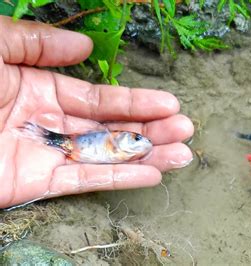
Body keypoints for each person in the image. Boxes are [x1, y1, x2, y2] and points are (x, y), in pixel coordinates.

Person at [0, 15, 194, 209]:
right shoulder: (112, 144)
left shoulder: (122, 151)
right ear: (121, 137)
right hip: (74, 145)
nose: (142, 141)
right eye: (136, 138)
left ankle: (42, 137)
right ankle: (43, 137)